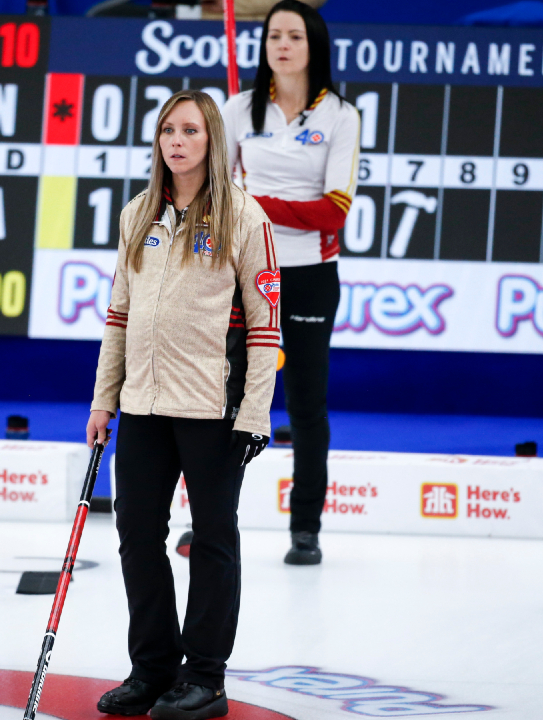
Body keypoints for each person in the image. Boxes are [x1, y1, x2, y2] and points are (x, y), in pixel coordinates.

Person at [87, 89, 278, 720]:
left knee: (214, 541)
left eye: (190, 130)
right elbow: (119, 316)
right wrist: (104, 400)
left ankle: (205, 678)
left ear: (212, 139)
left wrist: (254, 412)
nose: (177, 141)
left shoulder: (244, 217)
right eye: (168, 130)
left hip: (211, 407)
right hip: (142, 403)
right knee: (138, 536)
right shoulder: (138, 214)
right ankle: (153, 669)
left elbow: (265, 326)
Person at [222, 0, 358, 566]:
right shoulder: (236, 108)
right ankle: (209, 520)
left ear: (313, 45)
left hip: (309, 274)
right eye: (274, 35)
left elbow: (332, 213)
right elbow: (217, 196)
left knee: (305, 406)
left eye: (294, 35)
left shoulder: (340, 116)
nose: (281, 44)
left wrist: (254, 203)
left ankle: (306, 529)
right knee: (224, 400)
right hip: (244, 270)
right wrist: (245, 207)